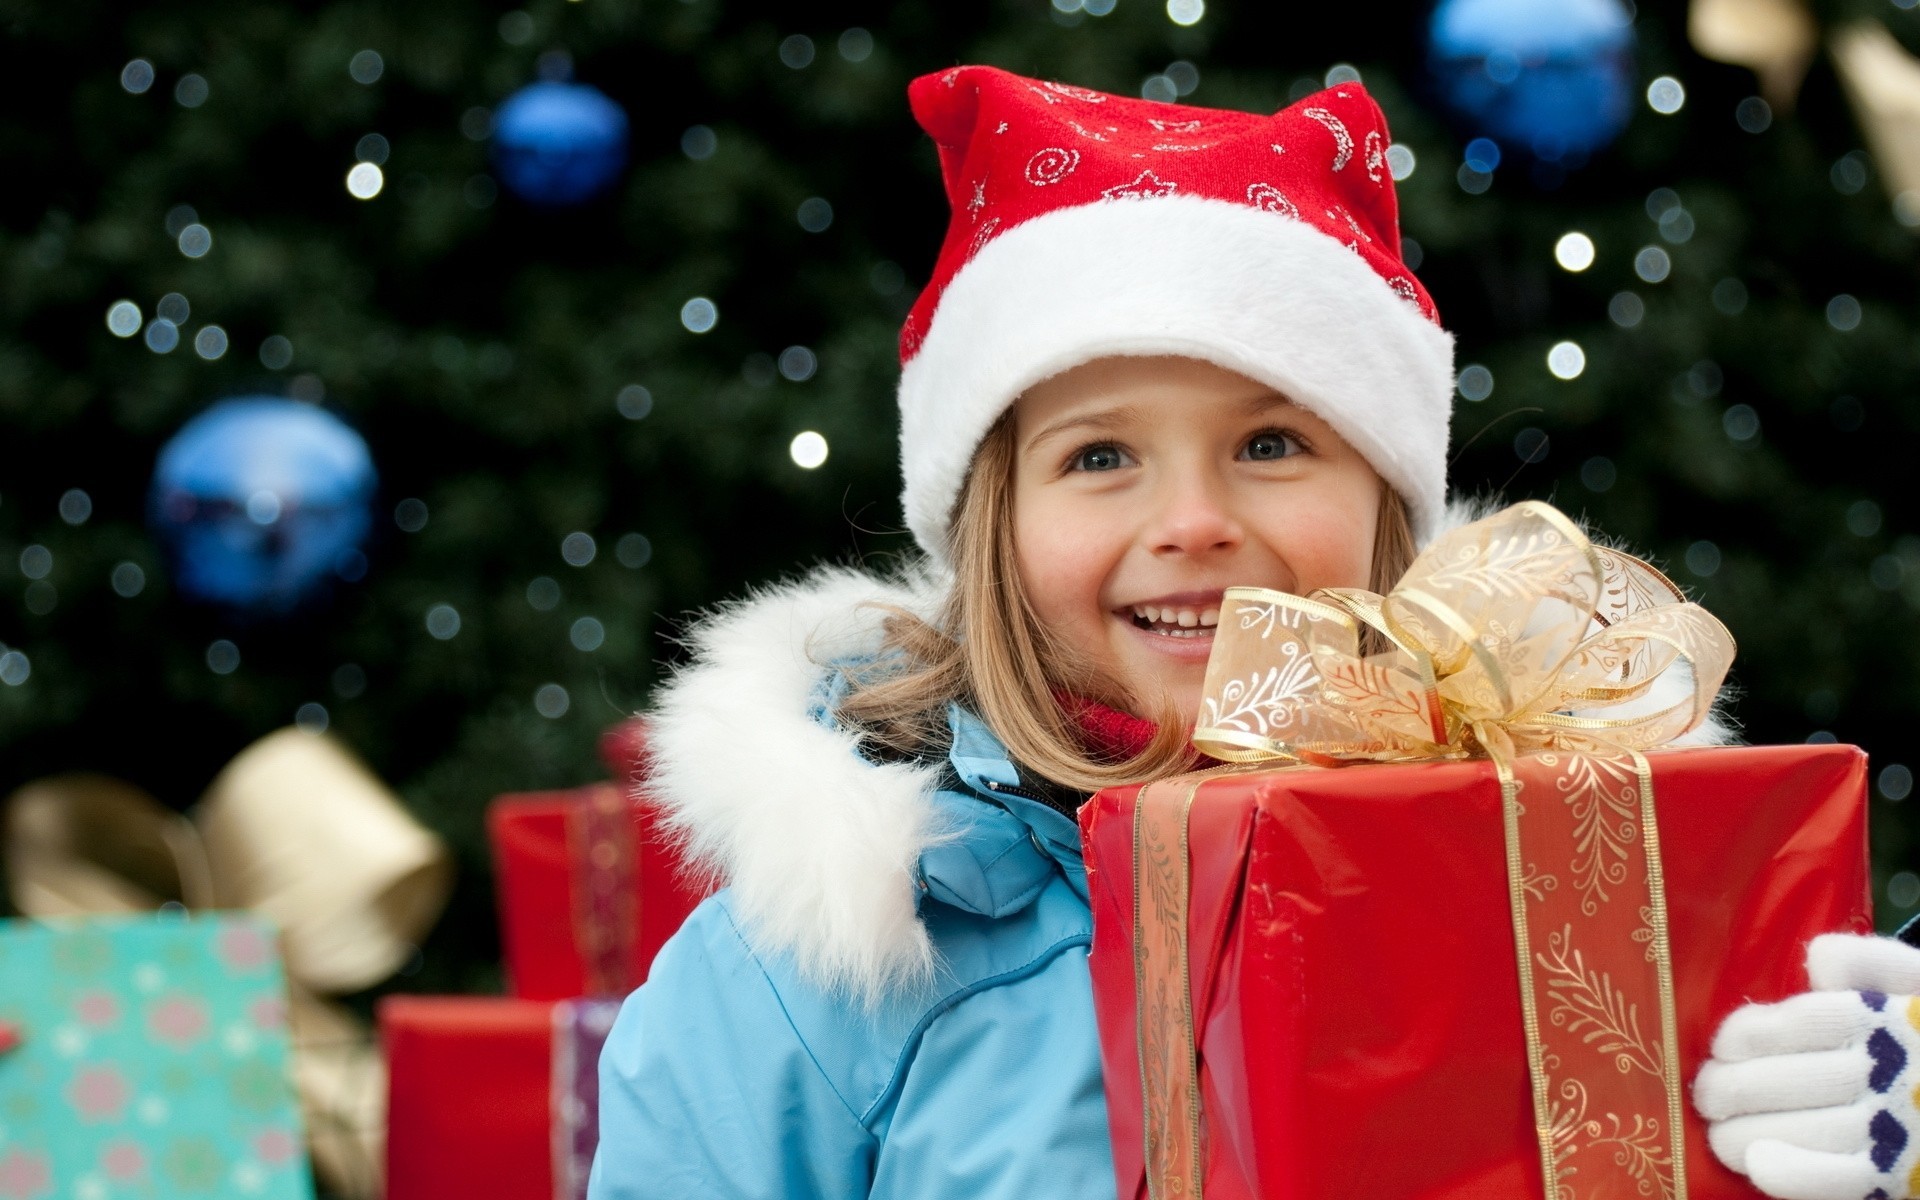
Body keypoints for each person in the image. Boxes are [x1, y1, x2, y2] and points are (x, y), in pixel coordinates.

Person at [587, 65, 1920, 1200]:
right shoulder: (828, 963)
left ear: (1390, 516)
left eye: (1272, 443)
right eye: (1100, 455)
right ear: (988, 532)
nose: (1194, 520)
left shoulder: (1583, 874)